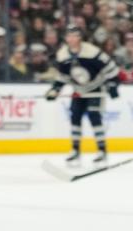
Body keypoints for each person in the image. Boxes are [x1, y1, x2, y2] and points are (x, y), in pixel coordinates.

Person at [46, 25, 120, 168]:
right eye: (69, 36)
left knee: (94, 116)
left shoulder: (92, 52)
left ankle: (102, 150)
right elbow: (62, 75)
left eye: (75, 35)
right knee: (75, 117)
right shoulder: (62, 54)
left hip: (95, 88)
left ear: (80, 37)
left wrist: (113, 85)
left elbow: (111, 68)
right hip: (79, 90)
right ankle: (75, 150)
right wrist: (55, 89)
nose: (72, 39)